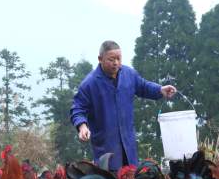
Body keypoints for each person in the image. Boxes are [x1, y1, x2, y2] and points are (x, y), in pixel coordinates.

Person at [70, 40, 176, 171]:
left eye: (119, 58)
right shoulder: (90, 84)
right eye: (111, 59)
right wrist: (82, 126)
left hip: (129, 147)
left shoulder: (129, 74)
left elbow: (143, 86)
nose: (116, 63)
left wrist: (160, 90)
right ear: (100, 59)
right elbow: (78, 108)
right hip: (106, 150)